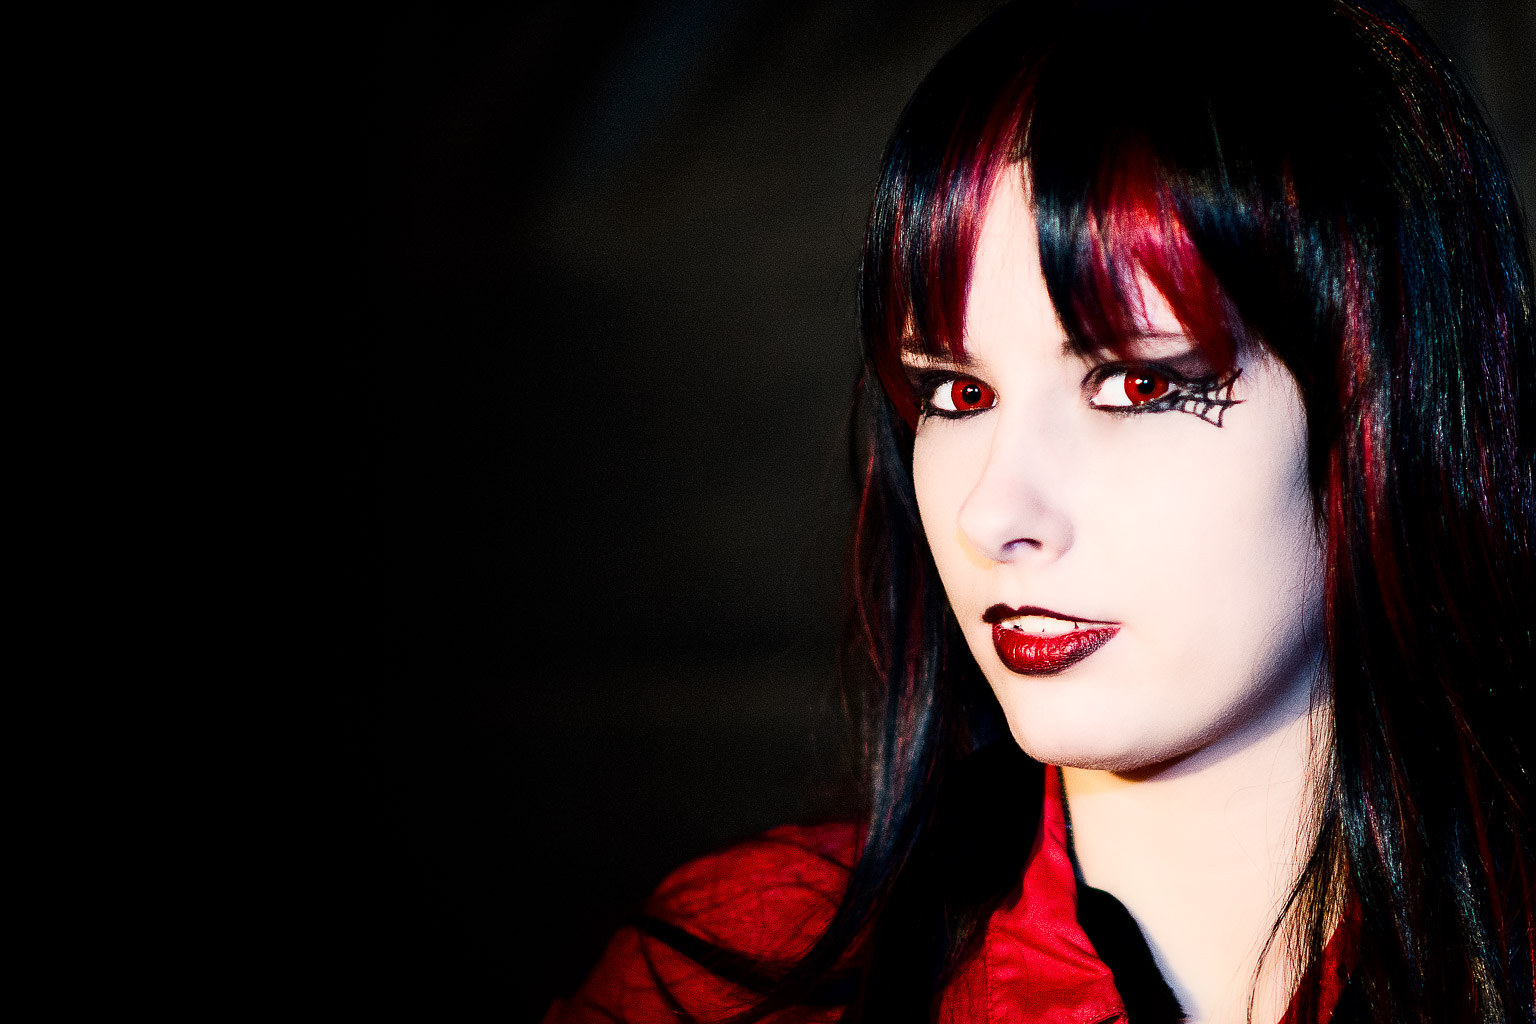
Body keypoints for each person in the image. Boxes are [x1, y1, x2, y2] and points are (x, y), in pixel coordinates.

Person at [546, 0, 1534, 1020]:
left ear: (1390, 402)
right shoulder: (721, 981)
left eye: (1140, 385)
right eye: (957, 393)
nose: (992, 515)